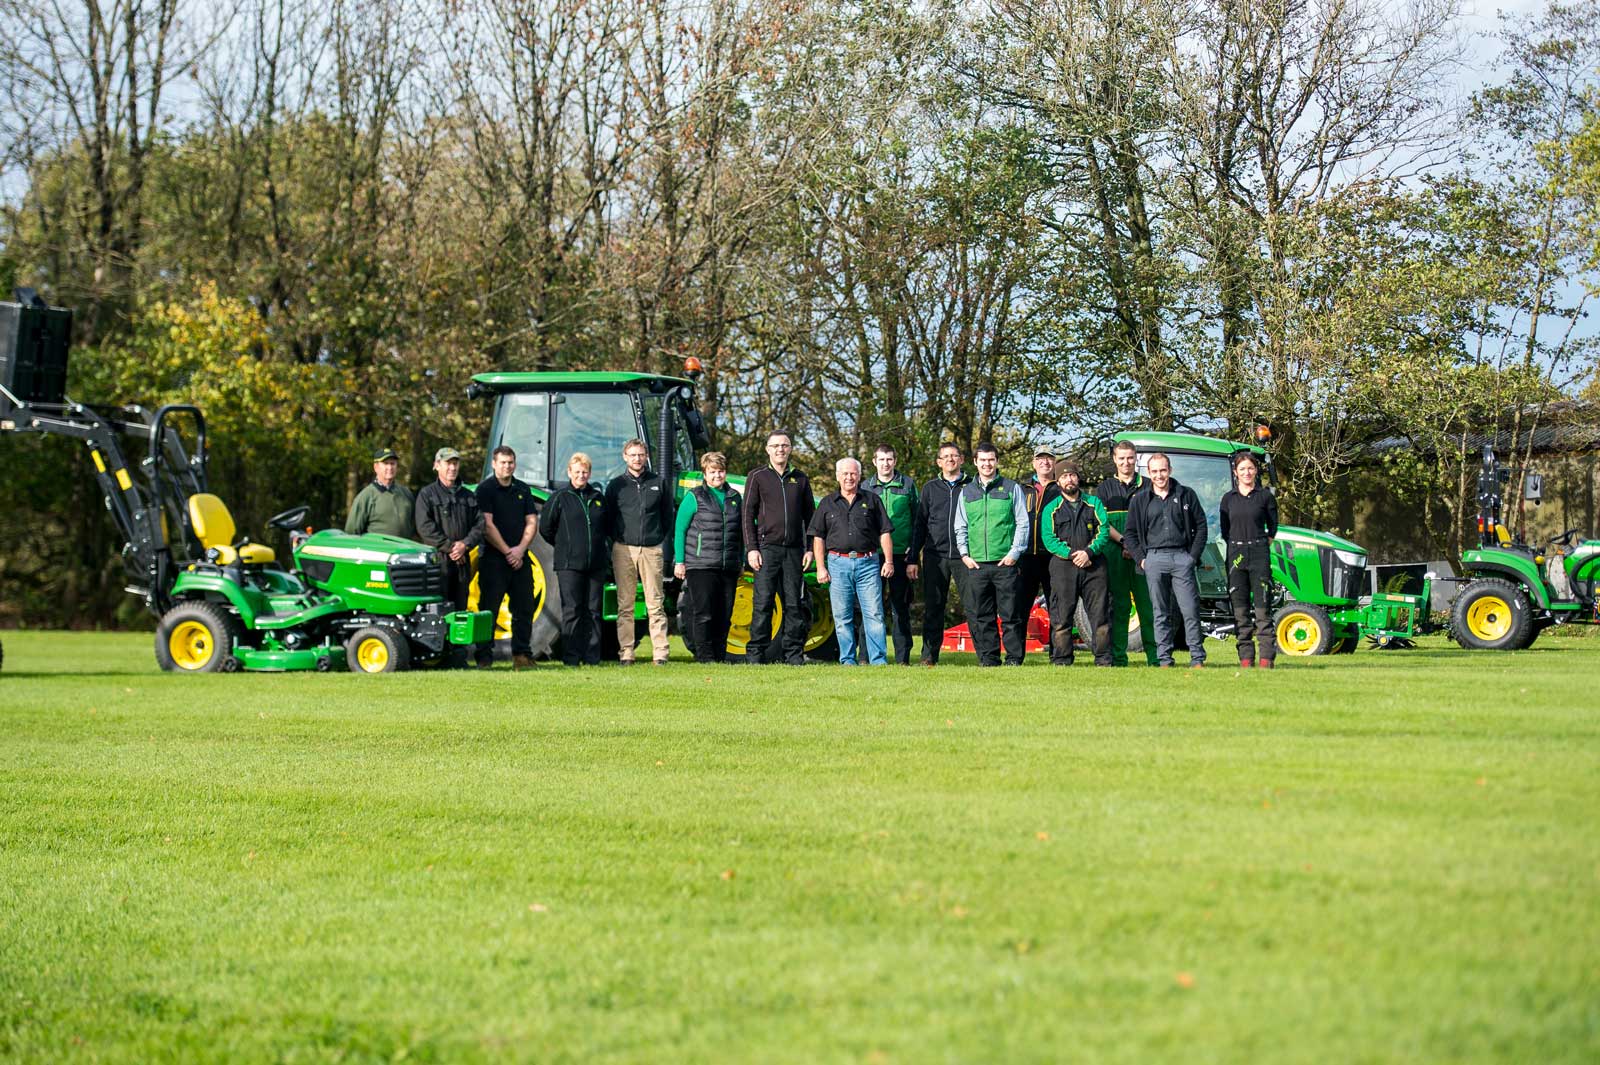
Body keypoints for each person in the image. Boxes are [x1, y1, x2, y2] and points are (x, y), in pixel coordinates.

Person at [1124, 452, 1209, 668]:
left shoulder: (1186, 494)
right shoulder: (1140, 500)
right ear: (1148, 473)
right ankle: (1164, 659)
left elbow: (1201, 527)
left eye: (1163, 470)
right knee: (1159, 612)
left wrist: (1192, 557)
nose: (1159, 475)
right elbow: (1131, 533)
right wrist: (1142, 560)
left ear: (1170, 470)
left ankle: (1197, 658)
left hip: (1182, 557)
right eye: (1154, 471)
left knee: (1189, 609)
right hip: (1154, 558)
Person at [809, 457, 895, 665]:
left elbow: (884, 532)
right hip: (838, 564)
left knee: (874, 614)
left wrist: (889, 561)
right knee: (842, 616)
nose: (849, 477)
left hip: (868, 563)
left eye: (853, 473)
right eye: (845, 474)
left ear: (859, 475)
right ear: (838, 476)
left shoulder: (872, 500)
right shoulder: (827, 503)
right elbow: (818, 537)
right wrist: (821, 567)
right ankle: (847, 660)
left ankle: (878, 660)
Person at [953, 442, 1030, 666]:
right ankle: (989, 658)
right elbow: (961, 526)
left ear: (996, 461)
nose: (987, 464)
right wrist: (965, 555)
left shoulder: (1010, 487)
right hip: (976, 564)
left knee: (1010, 615)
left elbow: (1022, 523)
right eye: (983, 460)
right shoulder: (966, 492)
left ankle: (1014, 659)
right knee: (981, 615)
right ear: (975, 462)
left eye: (991, 460)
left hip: (1005, 563)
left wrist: (1015, 553)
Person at [742, 431, 815, 665]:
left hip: (794, 551)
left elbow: (810, 518)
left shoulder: (801, 479)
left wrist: (810, 548)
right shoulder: (757, 476)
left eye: (784, 445)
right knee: (763, 603)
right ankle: (756, 654)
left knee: (795, 604)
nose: (780, 450)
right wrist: (752, 548)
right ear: (767, 449)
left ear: (791, 448)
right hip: (766, 550)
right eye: (775, 446)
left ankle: (793, 654)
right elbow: (747, 515)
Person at [413, 446, 484, 667]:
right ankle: (436, 655)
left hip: (462, 561)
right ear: (437, 466)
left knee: (460, 608)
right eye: (447, 463)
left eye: (455, 463)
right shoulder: (427, 495)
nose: (452, 467)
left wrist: (464, 545)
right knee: (438, 608)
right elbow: (425, 527)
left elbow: (480, 525)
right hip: (439, 562)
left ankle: (458, 656)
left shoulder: (469, 496)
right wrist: (450, 547)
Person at [605, 438, 674, 665]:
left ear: (646, 457)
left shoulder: (659, 483)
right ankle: (626, 653)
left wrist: (656, 539)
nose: (637, 458)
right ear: (625, 457)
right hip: (623, 549)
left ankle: (661, 653)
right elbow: (608, 518)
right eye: (633, 455)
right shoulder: (616, 486)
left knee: (655, 603)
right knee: (625, 604)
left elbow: (667, 517)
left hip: (651, 549)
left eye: (641, 454)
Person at [673, 452, 745, 664]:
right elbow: (680, 530)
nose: (717, 475)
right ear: (705, 474)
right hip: (701, 565)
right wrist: (680, 561)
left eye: (720, 471)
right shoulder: (694, 497)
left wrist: (739, 560)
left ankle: (720, 656)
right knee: (704, 613)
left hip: (728, 566)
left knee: (725, 614)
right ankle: (704, 657)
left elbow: (738, 533)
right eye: (712, 472)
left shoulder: (734, 497)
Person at [1039, 461, 1111, 666]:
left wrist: (1089, 552)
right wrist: (1073, 555)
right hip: (1063, 567)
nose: (1068, 480)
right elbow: (1049, 539)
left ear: (1077, 478)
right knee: (1062, 617)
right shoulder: (1051, 509)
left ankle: (1104, 659)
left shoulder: (1094, 503)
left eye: (1072, 475)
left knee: (1100, 615)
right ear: (1058, 481)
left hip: (1094, 565)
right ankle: (1062, 659)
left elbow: (1103, 530)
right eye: (1063, 476)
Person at [541, 452, 609, 667]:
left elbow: (606, 527)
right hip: (569, 565)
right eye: (577, 471)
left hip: (595, 564)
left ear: (589, 473)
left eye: (585, 471)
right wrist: (565, 547)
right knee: (572, 609)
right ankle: (571, 657)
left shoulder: (598, 498)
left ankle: (592, 657)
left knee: (593, 611)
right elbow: (546, 529)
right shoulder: (559, 498)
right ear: (569, 472)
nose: (581, 475)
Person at [475, 445, 539, 670]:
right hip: (494, 559)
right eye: (502, 462)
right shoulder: (485, 489)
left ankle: (522, 654)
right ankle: (484, 657)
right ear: (494, 464)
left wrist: (520, 549)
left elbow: (531, 520)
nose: (507, 466)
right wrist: (507, 551)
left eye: (510, 462)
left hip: (520, 559)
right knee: (488, 609)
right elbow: (487, 524)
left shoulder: (522, 489)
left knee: (524, 608)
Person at [1096, 440, 1159, 666]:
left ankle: (1156, 657)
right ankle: (1119, 658)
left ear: (1136, 458)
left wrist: (1136, 547)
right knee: (1120, 607)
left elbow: (1154, 521)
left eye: (1130, 457)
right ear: (1114, 459)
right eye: (1121, 458)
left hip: (1144, 554)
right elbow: (1102, 523)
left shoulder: (1149, 486)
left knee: (1148, 606)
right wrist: (1125, 543)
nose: (1126, 462)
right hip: (1115, 554)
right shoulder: (1104, 488)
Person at [1220, 451, 1280, 669]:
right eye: (1242, 469)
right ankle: (1246, 658)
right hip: (1236, 555)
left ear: (1256, 471)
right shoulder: (1228, 499)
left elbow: (1272, 527)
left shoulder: (1265, 497)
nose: (1247, 472)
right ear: (1235, 473)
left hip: (1259, 553)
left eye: (1250, 468)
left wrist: (1259, 544)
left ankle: (1266, 659)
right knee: (1240, 609)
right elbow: (1225, 530)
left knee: (1263, 609)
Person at [862, 445, 921, 665]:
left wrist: (913, 555)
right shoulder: (865, 486)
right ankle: (865, 657)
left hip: (901, 556)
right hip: (870, 556)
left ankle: (902, 659)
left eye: (889, 459)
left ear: (895, 461)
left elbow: (918, 521)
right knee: (870, 608)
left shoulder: (908, 485)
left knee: (900, 608)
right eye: (881, 459)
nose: (885, 463)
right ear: (874, 461)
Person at [916, 442, 971, 665]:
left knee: (974, 606)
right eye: (945, 456)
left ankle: (986, 656)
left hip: (965, 556)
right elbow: (920, 524)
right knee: (933, 607)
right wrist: (913, 559)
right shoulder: (930, 488)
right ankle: (929, 656)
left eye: (954, 456)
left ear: (961, 460)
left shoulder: (972, 485)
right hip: (935, 556)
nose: (950, 459)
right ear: (939, 462)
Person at [1017, 449, 1058, 634]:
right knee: (1020, 609)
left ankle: (1059, 656)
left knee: (1057, 608)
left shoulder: (1061, 488)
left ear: (1054, 462)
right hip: (1025, 557)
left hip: (1053, 556)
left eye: (1049, 458)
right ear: (1034, 463)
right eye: (1040, 458)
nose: (1045, 462)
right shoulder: (1021, 488)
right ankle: (1015, 658)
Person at [345, 446, 417, 539]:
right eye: (386, 463)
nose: (390, 467)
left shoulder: (406, 494)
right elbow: (352, 532)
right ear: (376, 467)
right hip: (376, 551)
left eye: (392, 463)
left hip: (403, 551)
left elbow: (413, 525)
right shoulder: (366, 496)